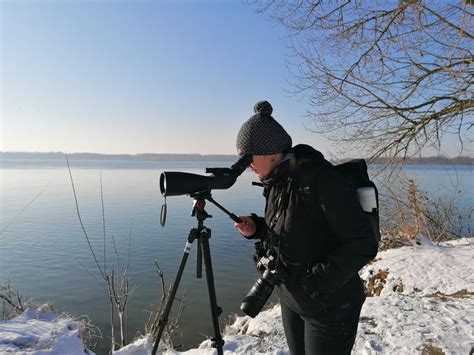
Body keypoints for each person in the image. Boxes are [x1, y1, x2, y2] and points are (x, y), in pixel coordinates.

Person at [234, 100, 379, 355]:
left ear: (270, 153)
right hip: (293, 300)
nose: (246, 164)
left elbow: (363, 243)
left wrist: (314, 285)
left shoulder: (321, 180)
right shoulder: (276, 182)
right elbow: (292, 229)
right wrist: (257, 228)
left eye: (248, 157)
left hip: (330, 307)